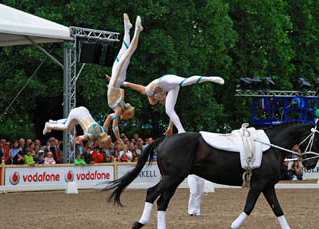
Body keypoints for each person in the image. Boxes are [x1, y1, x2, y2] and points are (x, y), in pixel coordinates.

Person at [121, 74, 224, 135]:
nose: (152, 104)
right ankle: (181, 130)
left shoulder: (146, 91)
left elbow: (129, 85)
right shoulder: (161, 98)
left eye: (151, 102)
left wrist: (117, 82)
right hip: (171, 88)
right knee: (168, 110)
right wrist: (170, 127)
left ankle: (210, 78)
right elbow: (171, 113)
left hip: (166, 79)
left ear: (149, 98)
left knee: (185, 82)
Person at [103, 14, 143, 144]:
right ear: (125, 114)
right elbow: (114, 125)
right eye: (126, 118)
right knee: (129, 51)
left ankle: (127, 28)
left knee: (124, 48)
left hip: (116, 79)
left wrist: (111, 84)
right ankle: (138, 30)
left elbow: (121, 91)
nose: (124, 119)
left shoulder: (121, 102)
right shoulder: (119, 110)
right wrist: (118, 139)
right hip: (117, 79)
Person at [43, 106, 112, 149]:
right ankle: (49, 125)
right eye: (102, 146)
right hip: (76, 114)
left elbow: (109, 117)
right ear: (102, 143)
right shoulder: (92, 136)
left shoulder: (104, 130)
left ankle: (54, 122)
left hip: (84, 110)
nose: (100, 147)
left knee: (71, 123)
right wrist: (79, 139)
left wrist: (117, 114)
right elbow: (83, 137)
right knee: (67, 127)